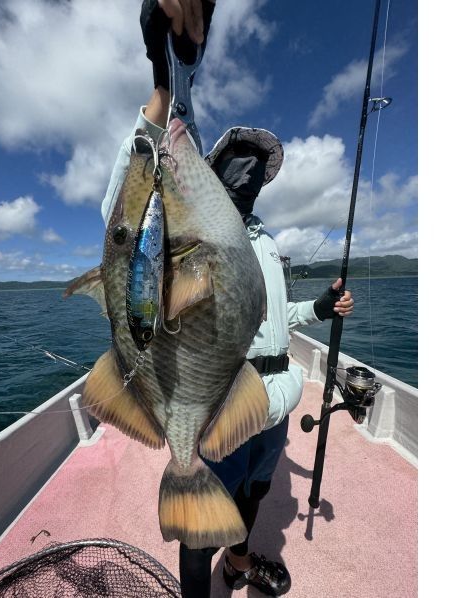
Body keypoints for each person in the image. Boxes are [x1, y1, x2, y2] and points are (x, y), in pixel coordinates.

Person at [101, 2, 354, 596]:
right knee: (200, 530)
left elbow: (275, 313)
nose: (247, 173)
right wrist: (164, 88)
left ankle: (240, 565)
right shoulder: (186, 227)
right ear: (211, 170)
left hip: (276, 400)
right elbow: (129, 216)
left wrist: (319, 309)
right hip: (218, 397)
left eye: (257, 167)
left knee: (253, 494)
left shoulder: (266, 242)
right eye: (236, 162)